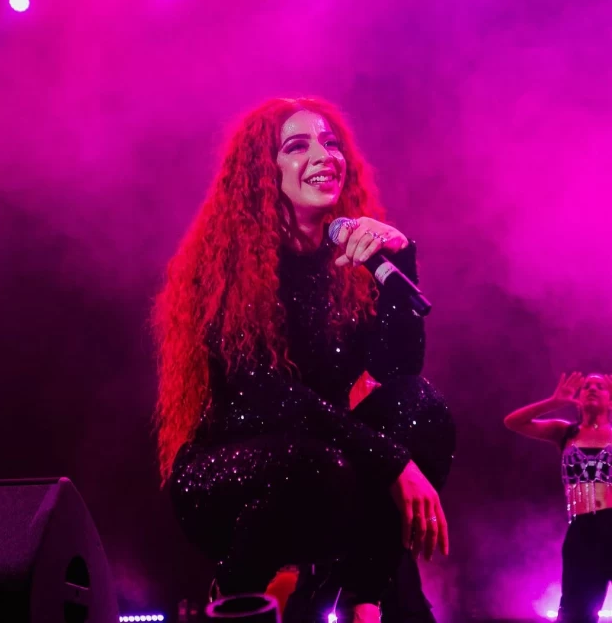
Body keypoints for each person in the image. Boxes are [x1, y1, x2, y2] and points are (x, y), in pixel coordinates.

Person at [154, 97, 456, 623]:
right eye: (298, 146)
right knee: (321, 464)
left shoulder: (348, 263)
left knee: (418, 406)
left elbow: (398, 370)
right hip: (234, 467)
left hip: (328, 459)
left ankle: (364, 596)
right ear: (262, 172)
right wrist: (393, 462)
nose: (324, 156)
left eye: (331, 143)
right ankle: (234, 597)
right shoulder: (227, 266)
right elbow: (272, 397)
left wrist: (399, 259)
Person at [504, 372, 612, 623]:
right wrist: (554, 402)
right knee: (576, 613)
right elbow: (512, 422)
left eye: (600, 386)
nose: (592, 389)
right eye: (587, 386)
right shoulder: (565, 432)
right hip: (581, 531)